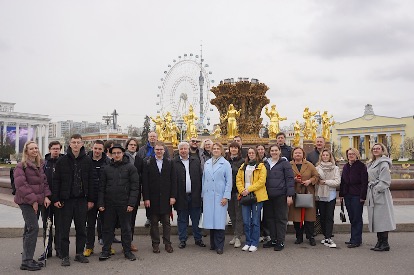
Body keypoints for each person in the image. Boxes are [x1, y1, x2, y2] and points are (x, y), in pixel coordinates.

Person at [52, 134, 94, 266]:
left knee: (81, 229)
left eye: (78, 142)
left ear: (82, 144)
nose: (76, 145)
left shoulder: (87, 160)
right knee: (64, 229)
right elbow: (56, 181)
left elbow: (91, 181)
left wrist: (91, 199)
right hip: (66, 201)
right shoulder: (62, 161)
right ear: (69, 144)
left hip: (81, 200)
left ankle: (79, 254)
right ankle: (65, 256)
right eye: (73, 142)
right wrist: (56, 198)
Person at [14, 141, 52, 271]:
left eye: (36, 148)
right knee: (33, 228)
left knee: (28, 229)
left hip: (38, 201)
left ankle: (27, 258)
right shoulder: (21, 166)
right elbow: (21, 186)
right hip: (26, 202)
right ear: (26, 151)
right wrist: (34, 201)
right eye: (31, 149)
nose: (35, 150)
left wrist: (46, 196)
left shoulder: (40, 165)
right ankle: (26, 261)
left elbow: (44, 183)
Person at [97, 144, 139, 261]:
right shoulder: (106, 168)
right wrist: (100, 203)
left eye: (119, 153)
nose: (116, 155)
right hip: (109, 204)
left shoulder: (131, 168)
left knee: (126, 229)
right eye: (114, 153)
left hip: (124, 204)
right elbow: (101, 187)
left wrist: (131, 203)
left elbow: (135, 187)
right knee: (107, 229)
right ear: (111, 154)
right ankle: (106, 251)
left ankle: (127, 251)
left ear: (122, 153)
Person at [142, 141, 177, 254]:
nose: (159, 151)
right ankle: (155, 244)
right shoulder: (147, 162)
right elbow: (145, 182)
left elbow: (173, 181)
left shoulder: (169, 162)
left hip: (166, 198)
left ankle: (167, 243)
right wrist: (146, 198)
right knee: (154, 223)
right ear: (154, 150)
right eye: (157, 149)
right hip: (153, 198)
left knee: (166, 223)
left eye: (161, 149)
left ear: (164, 150)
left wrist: (173, 196)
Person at [262, 144, 294, 251]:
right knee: (270, 218)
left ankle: (280, 241)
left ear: (280, 152)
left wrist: (289, 195)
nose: (274, 152)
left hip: (281, 195)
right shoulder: (265, 163)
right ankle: (273, 239)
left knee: (281, 219)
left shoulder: (285, 163)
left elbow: (290, 180)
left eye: (276, 150)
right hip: (268, 196)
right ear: (269, 152)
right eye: (272, 150)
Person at [173, 142, 205, 249]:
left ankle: (198, 239)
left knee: (196, 218)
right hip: (181, 196)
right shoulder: (174, 162)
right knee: (182, 219)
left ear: (188, 149)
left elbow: (201, 178)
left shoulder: (195, 161)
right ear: (179, 150)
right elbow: (171, 180)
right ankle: (182, 240)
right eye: (181, 149)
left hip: (195, 195)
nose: (183, 150)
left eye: (185, 148)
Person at [202, 142, 232, 254]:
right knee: (211, 220)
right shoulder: (207, 163)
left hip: (220, 196)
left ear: (221, 151)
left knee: (219, 221)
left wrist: (226, 196)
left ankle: (219, 245)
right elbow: (204, 179)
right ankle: (213, 244)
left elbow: (229, 182)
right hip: (208, 196)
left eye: (217, 148)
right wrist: (203, 194)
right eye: (213, 148)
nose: (215, 150)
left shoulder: (225, 164)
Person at [236, 147, 268, 252]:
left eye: (253, 153)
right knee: (246, 221)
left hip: (256, 196)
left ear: (256, 154)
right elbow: (238, 179)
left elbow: (261, 181)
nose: (251, 154)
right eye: (249, 153)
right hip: (245, 196)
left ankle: (254, 242)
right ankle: (248, 241)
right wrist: (242, 190)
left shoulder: (261, 166)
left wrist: (248, 189)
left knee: (255, 221)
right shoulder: (243, 166)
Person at [83, 140, 112, 257]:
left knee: (106, 224)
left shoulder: (108, 161)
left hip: (105, 198)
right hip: (90, 198)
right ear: (92, 148)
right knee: (90, 225)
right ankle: (89, 247)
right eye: (95, 148)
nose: (97, 151)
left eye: (100, 149)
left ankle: (107, 247)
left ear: (103, 150)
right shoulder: (86, 160)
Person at [366, 143, 396, 251]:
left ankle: (385, 243)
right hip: (373, 193)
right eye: (374, 149)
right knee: (376, 219)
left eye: (378, 148)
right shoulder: (372, 162)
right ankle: (379, 241)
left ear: (382, 150)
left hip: (381, 194)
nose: (376, 150)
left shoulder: (384, 163)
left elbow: (385, 181)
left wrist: (376, 189)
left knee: (382, 218)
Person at [137, 131, 170, 227]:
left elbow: (167, 160)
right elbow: (139, 162)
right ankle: (149, 218)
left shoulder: (165, 149)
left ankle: (162, 217)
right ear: (148, 138)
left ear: (157, 138)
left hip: (161, 176)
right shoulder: (143, 150)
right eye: (151, 136)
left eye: (154, 137)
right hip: (147, 175)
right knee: (149, 199)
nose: (152, 138)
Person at [288, 147, 319, 246]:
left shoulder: (309, 165)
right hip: (295, 193)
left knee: (309, 217)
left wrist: (309, 181)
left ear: (303, 154)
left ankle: (310, 236)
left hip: (307, 193)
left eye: (299, 153)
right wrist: (293, 179)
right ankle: (299, 236)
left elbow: (316, 176)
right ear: (293, 155)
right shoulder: (289, 165)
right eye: (296, 153)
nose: (298, 154)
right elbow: (286, 177)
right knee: (296, 217)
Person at [38, 141, 63, 261]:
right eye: (53, 149)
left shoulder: (64, 162)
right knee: (46, 226)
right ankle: (47, 251)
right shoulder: (44, 163)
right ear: (49, 149)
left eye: (58, 149)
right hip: (46, 200)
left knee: (59, 226)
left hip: (59, 200)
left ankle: (59, 250)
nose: (56, 151)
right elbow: (40, 182)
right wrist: (44, 197)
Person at [339, 148, 368, 248]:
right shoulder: (346, 166)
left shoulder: (361, 166)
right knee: (351, 217)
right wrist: (341, 194)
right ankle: (353, 238)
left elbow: (364, 182)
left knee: (357, 217)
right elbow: (343, 181)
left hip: (357, 195)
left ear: (357, 155)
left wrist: (363, 196)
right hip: (347, 195)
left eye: (352, 154)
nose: (351, 156)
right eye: (349, 154)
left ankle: (356, 240)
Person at [315, 149, 340, 248]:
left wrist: (325, 182)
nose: (325, 157)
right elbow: (316, 181)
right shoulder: (317, 168)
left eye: (327, 155)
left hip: (331, 195)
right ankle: (325, 236)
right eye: (323, 155)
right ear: (321, 157)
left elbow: (337, 182)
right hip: (321, 195)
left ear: (330, 157)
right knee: (322, 216)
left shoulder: (335, 168)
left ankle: (328, 237)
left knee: (329, 216)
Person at [226, 141, 245, 248]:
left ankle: (238, 237)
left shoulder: (242, 161)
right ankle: (235, 234)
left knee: (239, 216)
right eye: (231, 148)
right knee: (232, 214)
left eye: (235, 148)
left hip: (238, 191)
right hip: (229, 191)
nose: (233, 149)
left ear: (238, 149)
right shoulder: (225, 161)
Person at [123, 137, 141, 252]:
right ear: (127, 146)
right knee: (123, 221)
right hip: (122, 193)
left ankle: (129, 243)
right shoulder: (123, 157)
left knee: (132, 220)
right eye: (131, 145)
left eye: (134, 145)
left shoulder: (139, 159)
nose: (133, 146)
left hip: (135, 194)